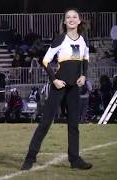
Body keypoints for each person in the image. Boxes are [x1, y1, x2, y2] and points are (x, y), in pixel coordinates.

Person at [21, 8, 93, 170]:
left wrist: (84, 75)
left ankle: (74, 160)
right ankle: (29, 158)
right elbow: (45, 61)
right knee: (45, 123)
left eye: (75, 17)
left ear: (79, 20)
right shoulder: (60, 39)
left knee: (74, 124)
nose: (72, 19)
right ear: (65, 21)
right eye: (68, 17)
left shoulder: (84, 40)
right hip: (58, 87)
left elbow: (86, 58)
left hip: (74, 88)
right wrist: (54, 80)